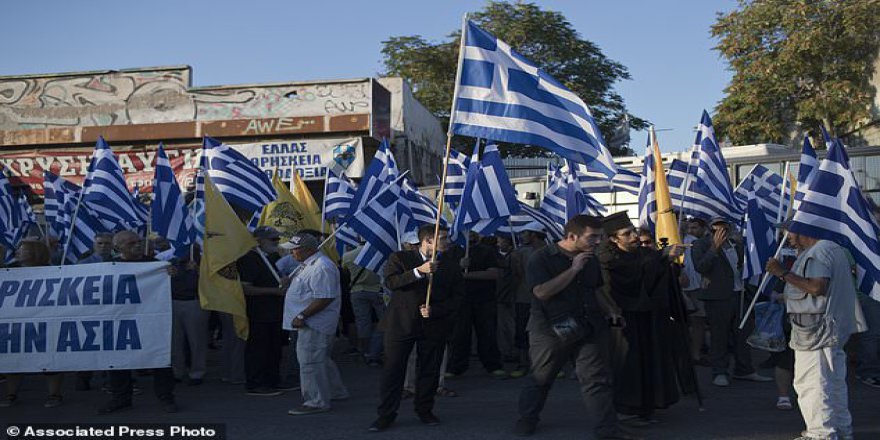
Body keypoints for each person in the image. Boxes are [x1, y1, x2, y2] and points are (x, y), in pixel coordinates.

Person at [515, 215, 636, 440]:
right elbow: (541, 292)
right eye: (592, 237)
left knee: (596, 378)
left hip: (588, 324)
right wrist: (573, 270)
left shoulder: (590, 259)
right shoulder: (542, 258)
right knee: (542, 377)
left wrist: (611, 310)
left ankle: (607, 430)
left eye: (600, 237)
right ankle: (527, 418)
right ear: (572, 236)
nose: (597, 242)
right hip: (551, 328)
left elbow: (596, 289)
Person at [766, 226, 867, 440]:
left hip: (816, 330)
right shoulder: (830, 248)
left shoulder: (819, 251)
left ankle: (820, 433)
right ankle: (839, 430)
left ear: (803, 230)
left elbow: (816, 287)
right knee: (833, 383)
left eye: (789, 233)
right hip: (828, 327)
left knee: (813, 383)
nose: (787, 239)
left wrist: (782, 272)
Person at [369, 225, 464, 432]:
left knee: (429, 369)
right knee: (393, 371)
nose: (448, 242)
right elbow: (391, 282)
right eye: (444, 238)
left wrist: (436, 309)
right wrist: (418, 272)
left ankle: (425, 409)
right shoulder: (400, 257)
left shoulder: (451, 264)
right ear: (427, 241)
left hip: (433, 326)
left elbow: (458, 297)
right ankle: (386, 414)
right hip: (400, 324)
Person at [599, 212, 687, 425]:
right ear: (613, 238)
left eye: (633, 231)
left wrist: (669, 264)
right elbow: (630, 275)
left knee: (649, 360)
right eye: (626, 234)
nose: (633, 237)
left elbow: (653, 270)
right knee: (629, 364)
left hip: (648, 318)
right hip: (624, 319)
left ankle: (647, 404)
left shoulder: (641, 254)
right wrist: (662, 257)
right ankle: (626, 408)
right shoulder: (608, 259)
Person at [99, 231, 177, 414]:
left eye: (139, 241)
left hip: (150, 319)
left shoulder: (155, 265)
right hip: (120, 319)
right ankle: (121, 398)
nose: (137, 245)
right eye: (131, 243)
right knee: (118, 361)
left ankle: (166, 397)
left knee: (160, 358)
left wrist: (171, 274)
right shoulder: (108, 266)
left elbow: (167, 288)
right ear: (118, 248)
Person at [692, 217, 771, 386]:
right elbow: (701, 267)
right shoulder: (701, 245)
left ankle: (744, 369)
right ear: (709, 230)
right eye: (715, 230)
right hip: (718, 297)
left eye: (724, 230)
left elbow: (745, 264)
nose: (720, 233)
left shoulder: (736, 244)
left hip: (739, 294)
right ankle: (719, 371)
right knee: (719, 335)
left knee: (742, 334)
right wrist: (715, 247)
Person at [282, 232, 349, 415]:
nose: (292, 253)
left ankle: (315, 401)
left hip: (314, 323)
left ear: (309, 250)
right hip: (312, 322)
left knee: (310, 362)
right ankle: (335, 391)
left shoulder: (321, 266)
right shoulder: (309, 265)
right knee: (321, 359)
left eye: (295, 249)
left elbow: (325, 297)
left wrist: (302, 316)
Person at [0, 239, 64, 408]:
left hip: (45, 321)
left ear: (35, 252)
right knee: (14, 360)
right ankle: (11, 394)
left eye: (23, 249)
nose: (18, 252)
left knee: (49, 360)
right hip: (15, 322)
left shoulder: (54, 272)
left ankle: (54, 394)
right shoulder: (8, 271)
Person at [448, 231, 505, 378]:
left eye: (473, 230)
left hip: (485, 299)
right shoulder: (453, 250)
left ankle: (492, 365)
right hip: (461, 300)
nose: (470, 233)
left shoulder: (487, 251)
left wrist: (466, 275)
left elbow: (494, 274)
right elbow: (443, 274)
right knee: (459, 335)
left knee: (488, 333)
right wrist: (458, 267)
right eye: (467, 230)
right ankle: (455, 367)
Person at [239, 226, 287, 396]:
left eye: (277, 239)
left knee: (274, 348)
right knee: (258, 349)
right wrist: (273, 291)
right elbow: (246, 288)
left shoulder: (274, 258)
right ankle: (255, 383)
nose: (277, 242)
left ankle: (273, 380)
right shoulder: (249, 259)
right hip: (258, 313)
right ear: (259, 241)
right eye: (272, 239)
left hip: (275, 312)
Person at [510, 222, 547, 378]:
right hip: (525, 298)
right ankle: (523, 363)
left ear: (533, 234)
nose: (522, 236)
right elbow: (516, 275)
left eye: (525, 233)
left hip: (546, 298)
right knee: (522, 331)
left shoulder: (550, 251)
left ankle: (550, 364)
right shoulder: (520, 252)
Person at [170, 245, 208, 386]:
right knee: (175, 341)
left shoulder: (204, 263)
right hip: (174, 302)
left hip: (195, 302)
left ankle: (197, 372)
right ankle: (176, 371)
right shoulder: (172, 264)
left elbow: (213, 283)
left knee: (197, 340)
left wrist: (198, 271)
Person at [343, 243, 386, 367]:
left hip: (357, 291)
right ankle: (374, 352)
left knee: (362, 323)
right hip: (377, 291)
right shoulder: (379, 253)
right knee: (383, 322)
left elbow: (345, 269)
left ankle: (365, 351)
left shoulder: (348, 256)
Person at [681, 218, 709, 366]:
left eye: (694, 227)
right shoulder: (681, 240)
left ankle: (696, 354)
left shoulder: (703, 242)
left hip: (698, 286)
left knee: (698, 322)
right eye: (689, 227)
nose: (690, 230)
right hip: (683, 287)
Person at [496, 234, 518, 362]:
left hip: (509, 296)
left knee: (509, 326)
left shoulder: (513, 256)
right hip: (503, 296)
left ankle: (512, 352)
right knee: (504, 327)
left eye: (501, 242)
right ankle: (507, 351)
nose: (499, 244)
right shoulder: (501, 256)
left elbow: (515, 276)